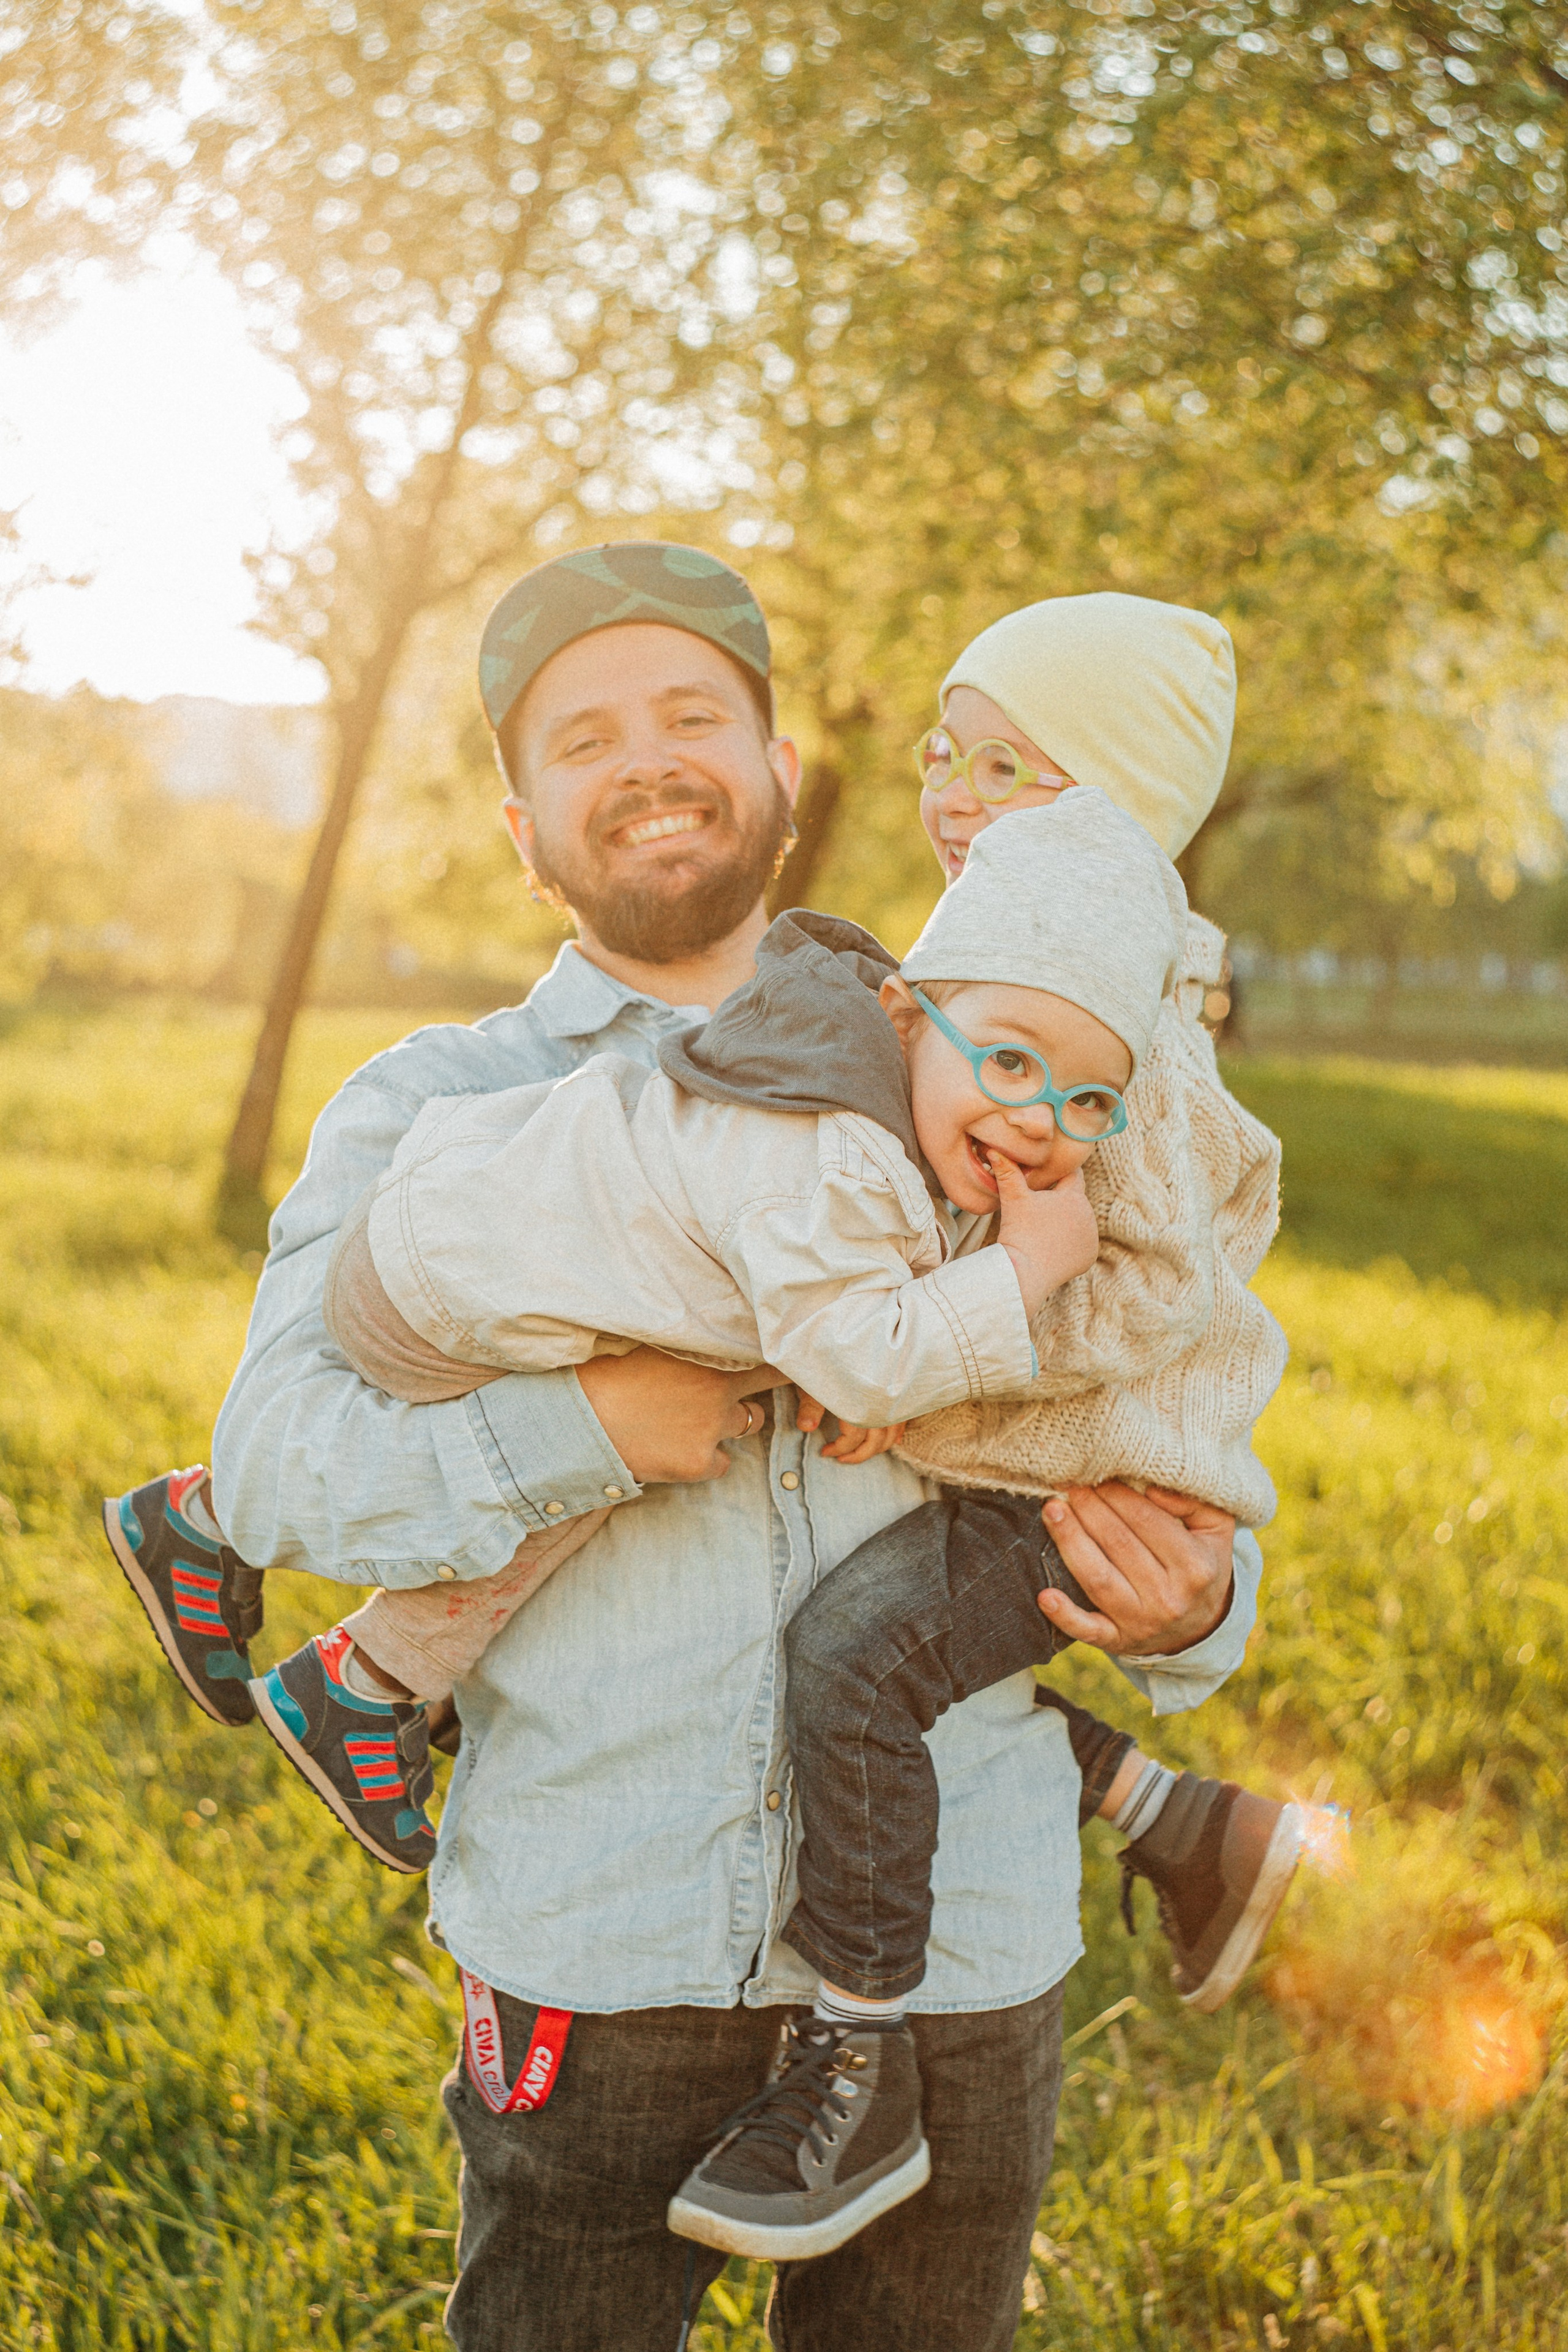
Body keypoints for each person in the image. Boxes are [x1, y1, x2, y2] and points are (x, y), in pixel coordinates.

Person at [104, 544, 1262, 2352]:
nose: (646, 759)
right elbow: (270, 1469)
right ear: (520, 823)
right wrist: (581, 1429)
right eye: (585, 736)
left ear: (783, 771)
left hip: (962, 1963)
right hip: (606, 1954)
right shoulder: (436, 1108)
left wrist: (1197, 1598)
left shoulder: (1014, 1039)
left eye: (691, 714)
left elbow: (1167, 1386)